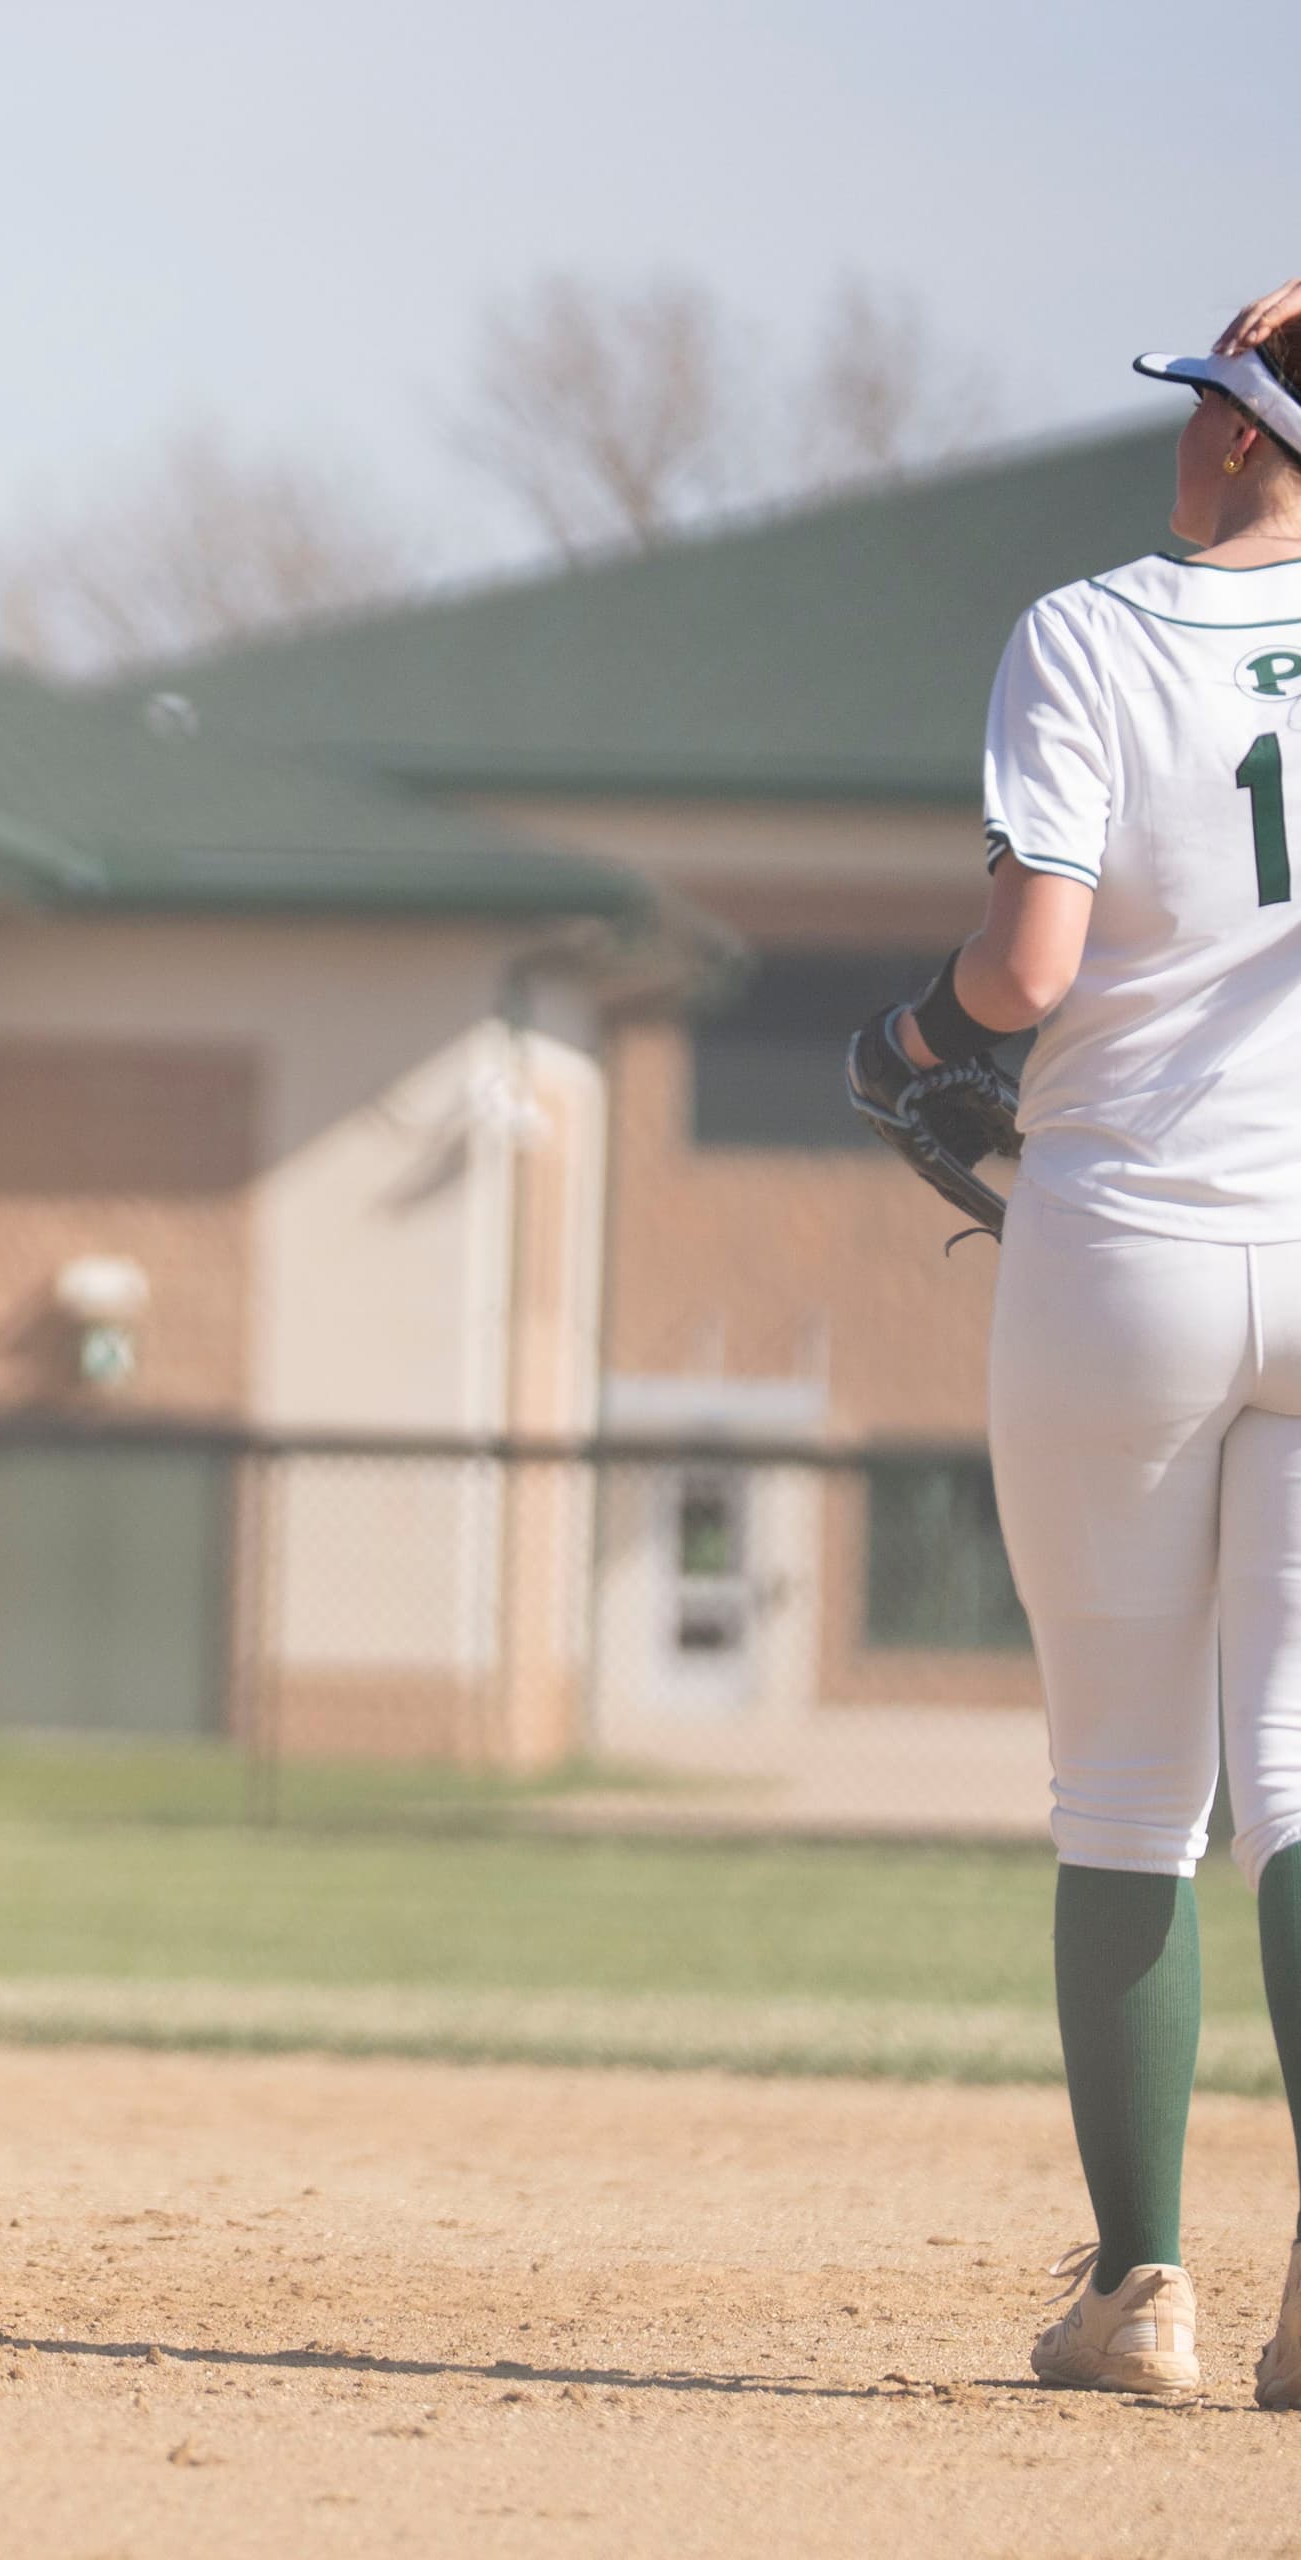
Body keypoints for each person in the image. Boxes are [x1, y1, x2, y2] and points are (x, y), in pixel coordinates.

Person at [879, 284, 1301, 2401]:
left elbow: (1028, 968)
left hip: (1131, 1233)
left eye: (1206, 405)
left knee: (1130, 1782)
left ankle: (1142, 2290)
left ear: (1232, 432)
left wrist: (912, 1032)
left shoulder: (1094, 629)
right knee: (1300, 1765)